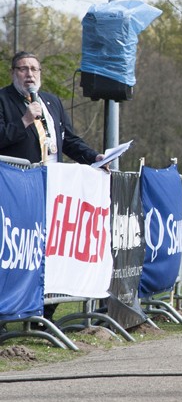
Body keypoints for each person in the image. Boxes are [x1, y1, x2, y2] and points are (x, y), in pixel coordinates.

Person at [0, 51, 106, 324]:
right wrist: (24, 120)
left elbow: (69, 140)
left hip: (53, 191)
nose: (29, 74)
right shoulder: (3, 100)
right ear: (13, 72)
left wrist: (94, 157)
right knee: (21, 253)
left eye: (34, 69)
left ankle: (44, 313)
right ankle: (12, 312)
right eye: (23, 69)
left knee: (52, 253)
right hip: (18, 192)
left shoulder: (51, 102)